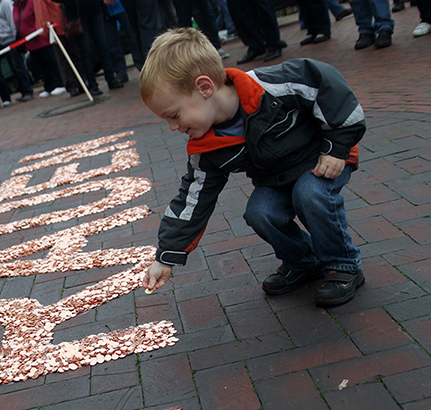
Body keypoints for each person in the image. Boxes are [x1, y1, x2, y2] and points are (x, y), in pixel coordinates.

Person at [139, 28, 366, 308]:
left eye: (174, 115)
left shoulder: (271, 86)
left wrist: (335, 147)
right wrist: (166, 256)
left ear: (205, 87)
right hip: (277, 177)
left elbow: (327, 85)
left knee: (310, 195)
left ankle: (342, 264)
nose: (174, 127)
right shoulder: (206, 145)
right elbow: (193, 200)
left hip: (322, 159)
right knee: (259, 212)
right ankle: (304, 261)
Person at [13, 0, 66, 97]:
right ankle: (48, 86)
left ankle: (59, 83)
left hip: (40, 38)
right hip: (30, 42)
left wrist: (34, 31)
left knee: (50, 61)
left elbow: (38, 17)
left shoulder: (32, 2)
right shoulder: (16, 6)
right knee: (40, 65)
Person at [0, 0, 35, 101]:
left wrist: (16, 37)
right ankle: (23, 90)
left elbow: (12, 20)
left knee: (18, 66)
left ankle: (28, 90)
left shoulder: (5, 3)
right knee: (13, 69)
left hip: (11, 40)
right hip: (3, 43)